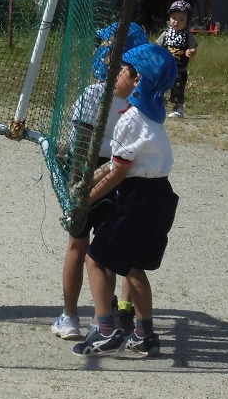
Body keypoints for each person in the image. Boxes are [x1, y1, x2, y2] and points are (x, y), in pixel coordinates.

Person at [73, 43, 179, 358]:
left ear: (137, 80)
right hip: (159, 196)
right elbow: (122, 161)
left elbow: (119, 172)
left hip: (137, 200)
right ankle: (145, 334)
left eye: (123, 70)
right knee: (133, 267)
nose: (116, 74)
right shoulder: (152, 117)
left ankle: (106, 330)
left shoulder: (131, 118)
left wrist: (85, 200)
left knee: (95, 258)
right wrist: (90, 178)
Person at [52, 20, 149, 341]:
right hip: (122, 175)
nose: (102, 52)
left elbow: (82, 138)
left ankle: (70, 316)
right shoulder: (143, 100)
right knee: (106, 250)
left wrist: (74, 178)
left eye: (109, 49)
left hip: (92, 172)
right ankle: (101, 318)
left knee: (78, 245)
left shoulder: (95, 93)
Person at [157, 0, 198, 118]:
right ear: (169, 18)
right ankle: (159, 102)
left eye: (181, 20)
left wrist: (192, 51)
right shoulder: (166, 33)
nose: (177, 22)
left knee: (178, 87)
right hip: (165, 67)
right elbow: (158, 46)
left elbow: (193, 47)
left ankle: (178, 108)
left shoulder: (187, 35)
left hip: (180, 68)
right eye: (174, 18)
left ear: (187, 21)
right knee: (160, 84)